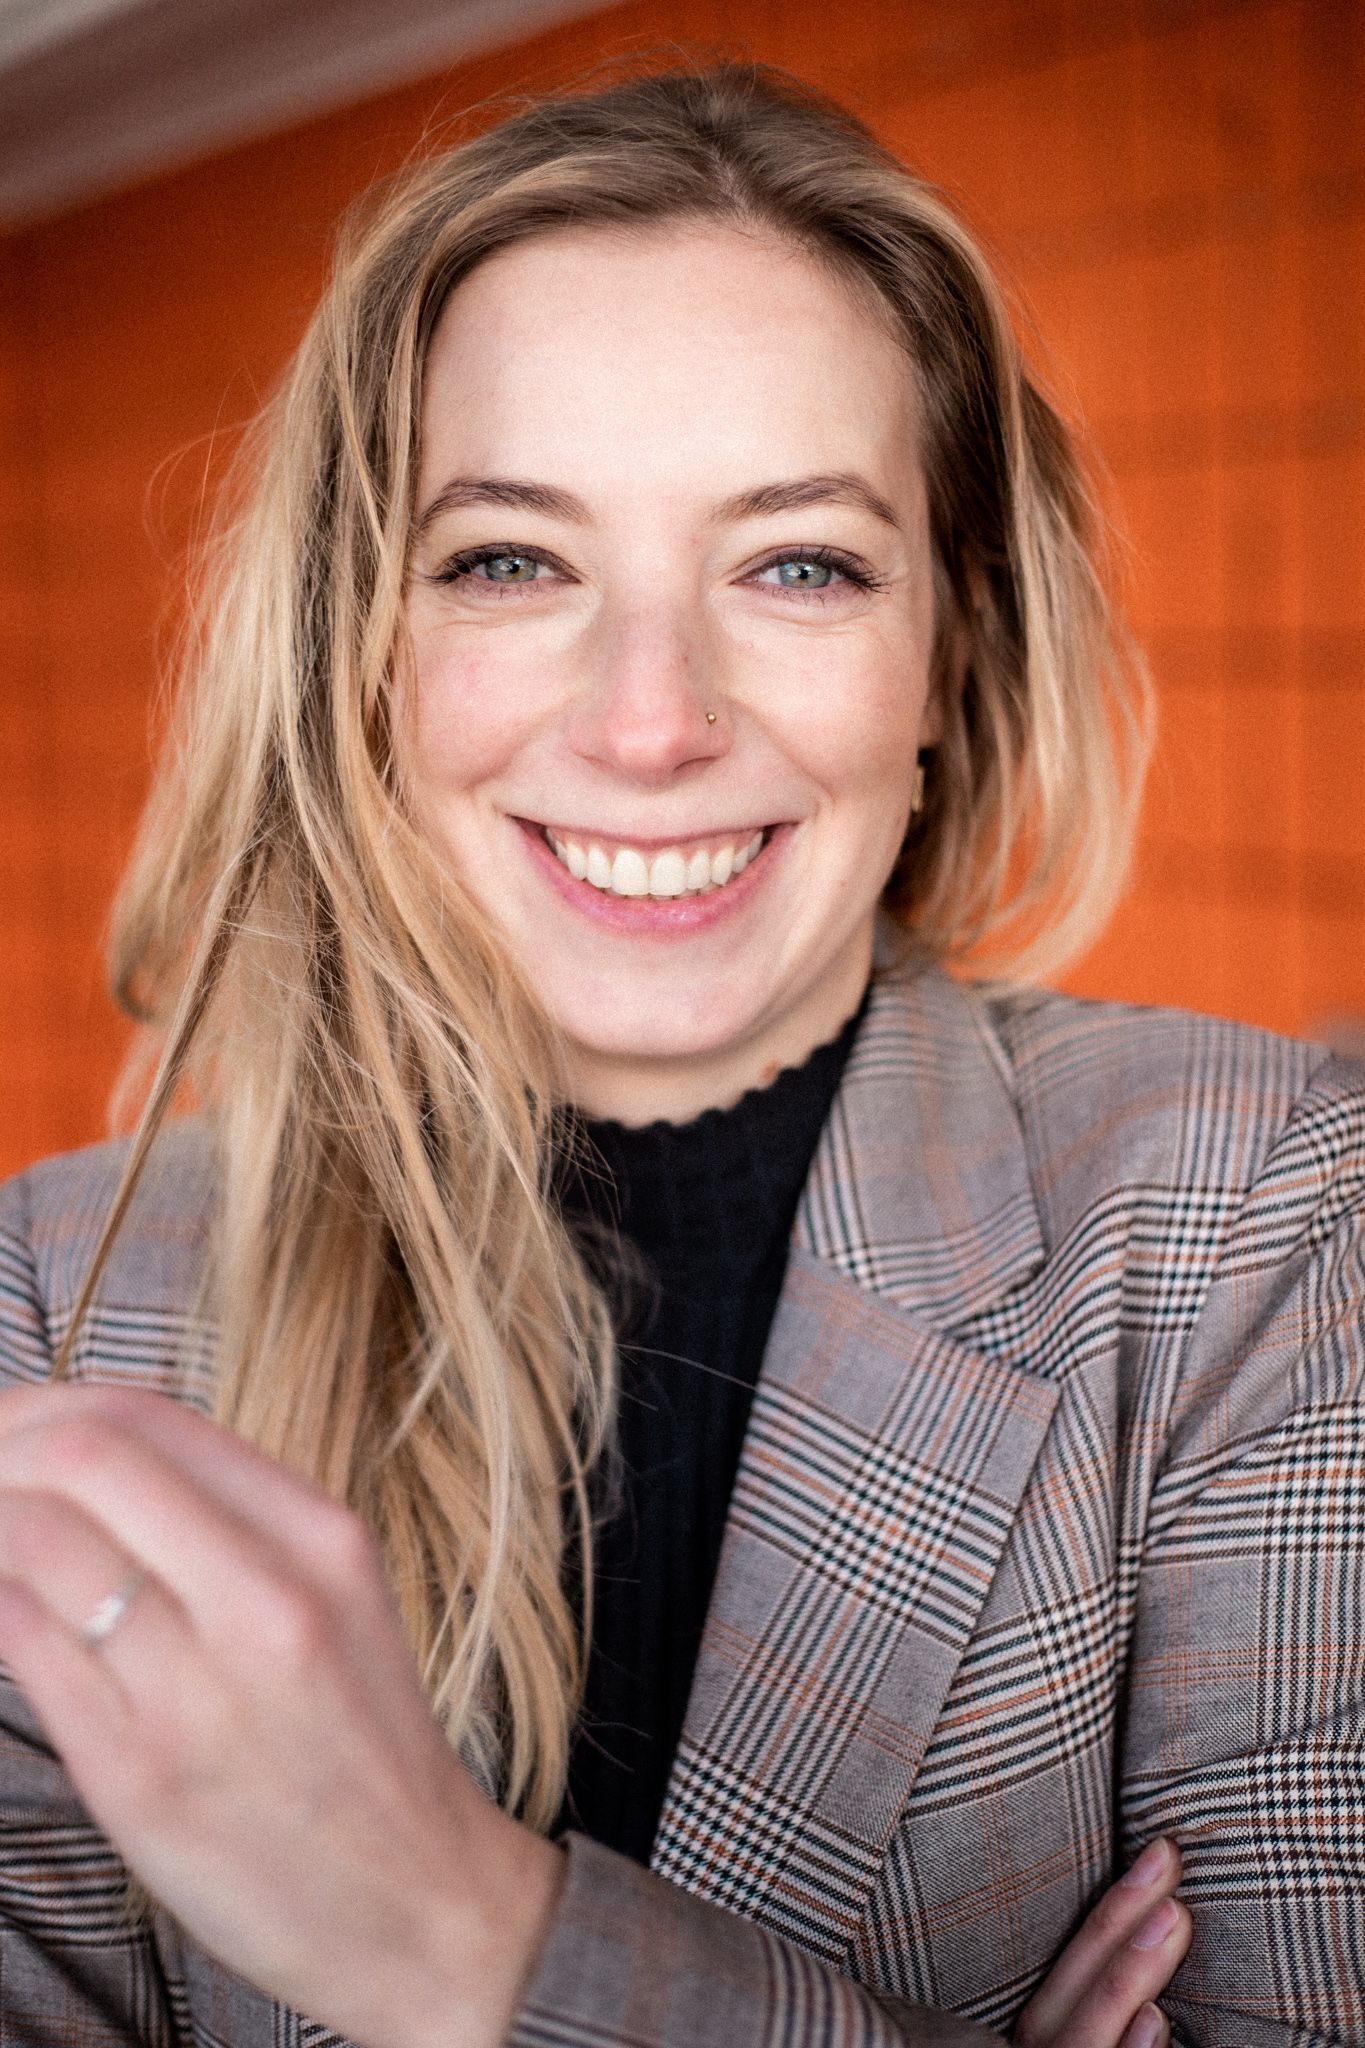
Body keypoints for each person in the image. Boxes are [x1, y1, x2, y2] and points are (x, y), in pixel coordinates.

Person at [0, 60, 1361, 2048]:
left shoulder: (1260, 1212)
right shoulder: (54, 1311)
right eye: (508, 559)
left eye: (798, 563)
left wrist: (467, 1942)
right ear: (358, 649)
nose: (649, 724)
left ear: (948, 646)